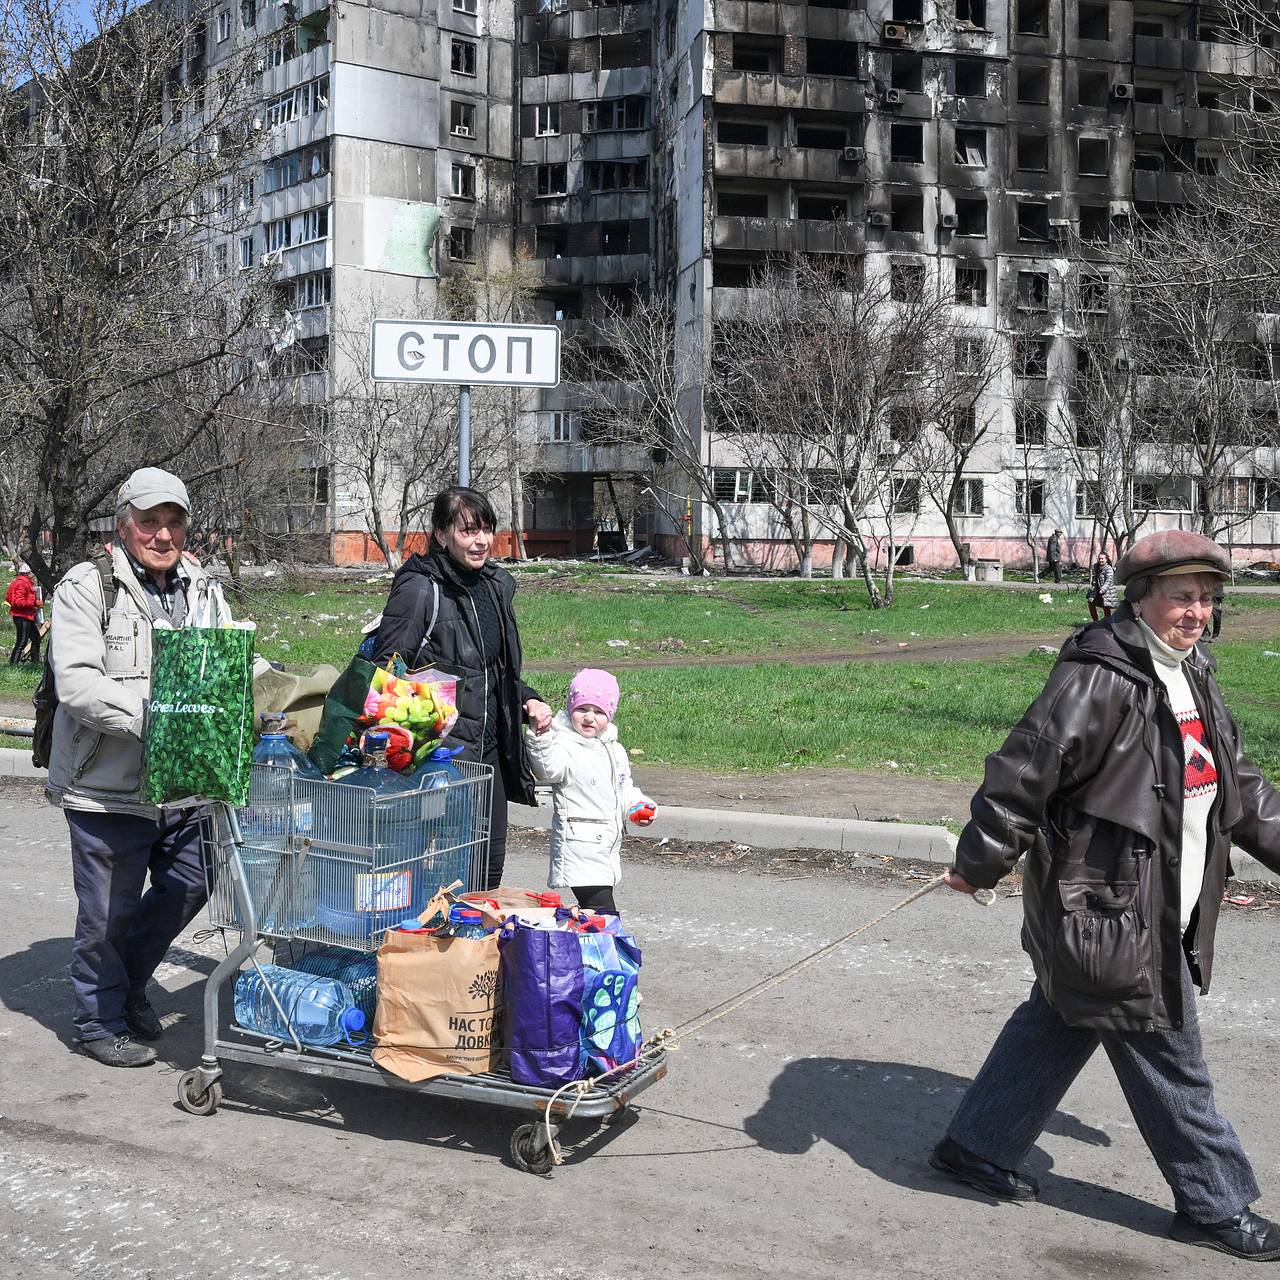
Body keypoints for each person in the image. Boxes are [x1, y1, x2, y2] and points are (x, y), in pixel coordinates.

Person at [931, 529, 1280, 1261]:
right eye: (1182, 597)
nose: (1196, 612)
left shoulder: (1192, 672)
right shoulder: (1099, 674)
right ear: (1141, 599)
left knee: (1061, 1016)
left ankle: (975, 1145)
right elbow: (1026, 772)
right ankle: (1215, 1203)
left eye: (1207, 600)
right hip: (1113, 907)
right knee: (1167, 1052)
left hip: (1159, 898)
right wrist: (980, 860)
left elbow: (1240, 789)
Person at [47, 467, 232, 1068]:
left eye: (172, 521)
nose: (162, 533)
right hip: (107, 787)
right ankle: (96, 1022)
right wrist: (160, 719)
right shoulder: (85, 586)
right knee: (107, 913)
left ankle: (128, 985)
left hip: (184, 786)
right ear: (125, 525)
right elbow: (76, 683)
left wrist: (290, 699)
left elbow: (229, 660)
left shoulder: (201, 585)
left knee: (191, 883)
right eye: (149, 522)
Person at [371, 487, 552, 889]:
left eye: (486, 529)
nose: (481, 540)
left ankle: (472, 950)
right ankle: (429, 948)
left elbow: (490, 669)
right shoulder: (421, 588)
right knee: (438, 872)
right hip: (438, 755)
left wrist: (527, 698)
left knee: (487, 866)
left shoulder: (493, 586)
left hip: (489, 750)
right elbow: (385, 673)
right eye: (468, 531)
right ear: (441, 535)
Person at [524, 668, 656, 915]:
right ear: (571, 708)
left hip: (604, 847)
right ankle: (611, 953)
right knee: (604, 916)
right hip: (579, 847)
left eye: (598, 712)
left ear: (610, 714)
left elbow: (623, 788)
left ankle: (587, 951)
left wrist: (638, 806)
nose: (589, 718)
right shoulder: (562, 743)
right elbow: (547, 770)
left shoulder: (613, 749)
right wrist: (539, 737)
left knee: (594, 917)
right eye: (582, 709)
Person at [6, 563, 40, 665]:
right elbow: (18, 602)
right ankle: (13, 665)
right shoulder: (22, 583)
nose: (33, 575)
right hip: (22, 616)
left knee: (35, 638)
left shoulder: (23, 582)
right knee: (22, 641)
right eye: (31, 572)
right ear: (28, 573)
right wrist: (34, 603)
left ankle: (35, 663)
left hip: (25, 616)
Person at [1087, 550, 1116, 621]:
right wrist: (1094, 582)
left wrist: (1103, 590)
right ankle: (1095, 621)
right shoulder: (1097, 567)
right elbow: (1096, 577)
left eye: (1102, 558)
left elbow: (1109, 581)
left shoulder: (1108, 569)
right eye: (1099, 558)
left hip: (1106, 592)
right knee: (1091, 603)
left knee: (1106, 608)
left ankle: (1108, 623)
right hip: (1097, 591)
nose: (1101, 560)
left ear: (1106, 559)